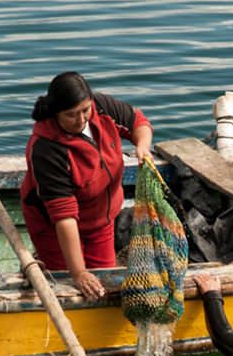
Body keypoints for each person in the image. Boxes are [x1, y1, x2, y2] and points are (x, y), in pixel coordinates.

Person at [21, 71, 153, 300]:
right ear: (55, 113)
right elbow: (64, 217)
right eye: (71, 115)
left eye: (85, 110)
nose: (81, 119)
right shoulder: (46, 150)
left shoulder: (102, 107)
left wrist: (142, 146)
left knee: (105, 282)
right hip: (53, 228)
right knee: (67, 286)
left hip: (101, 219)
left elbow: (138, 122)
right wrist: (79, 273)